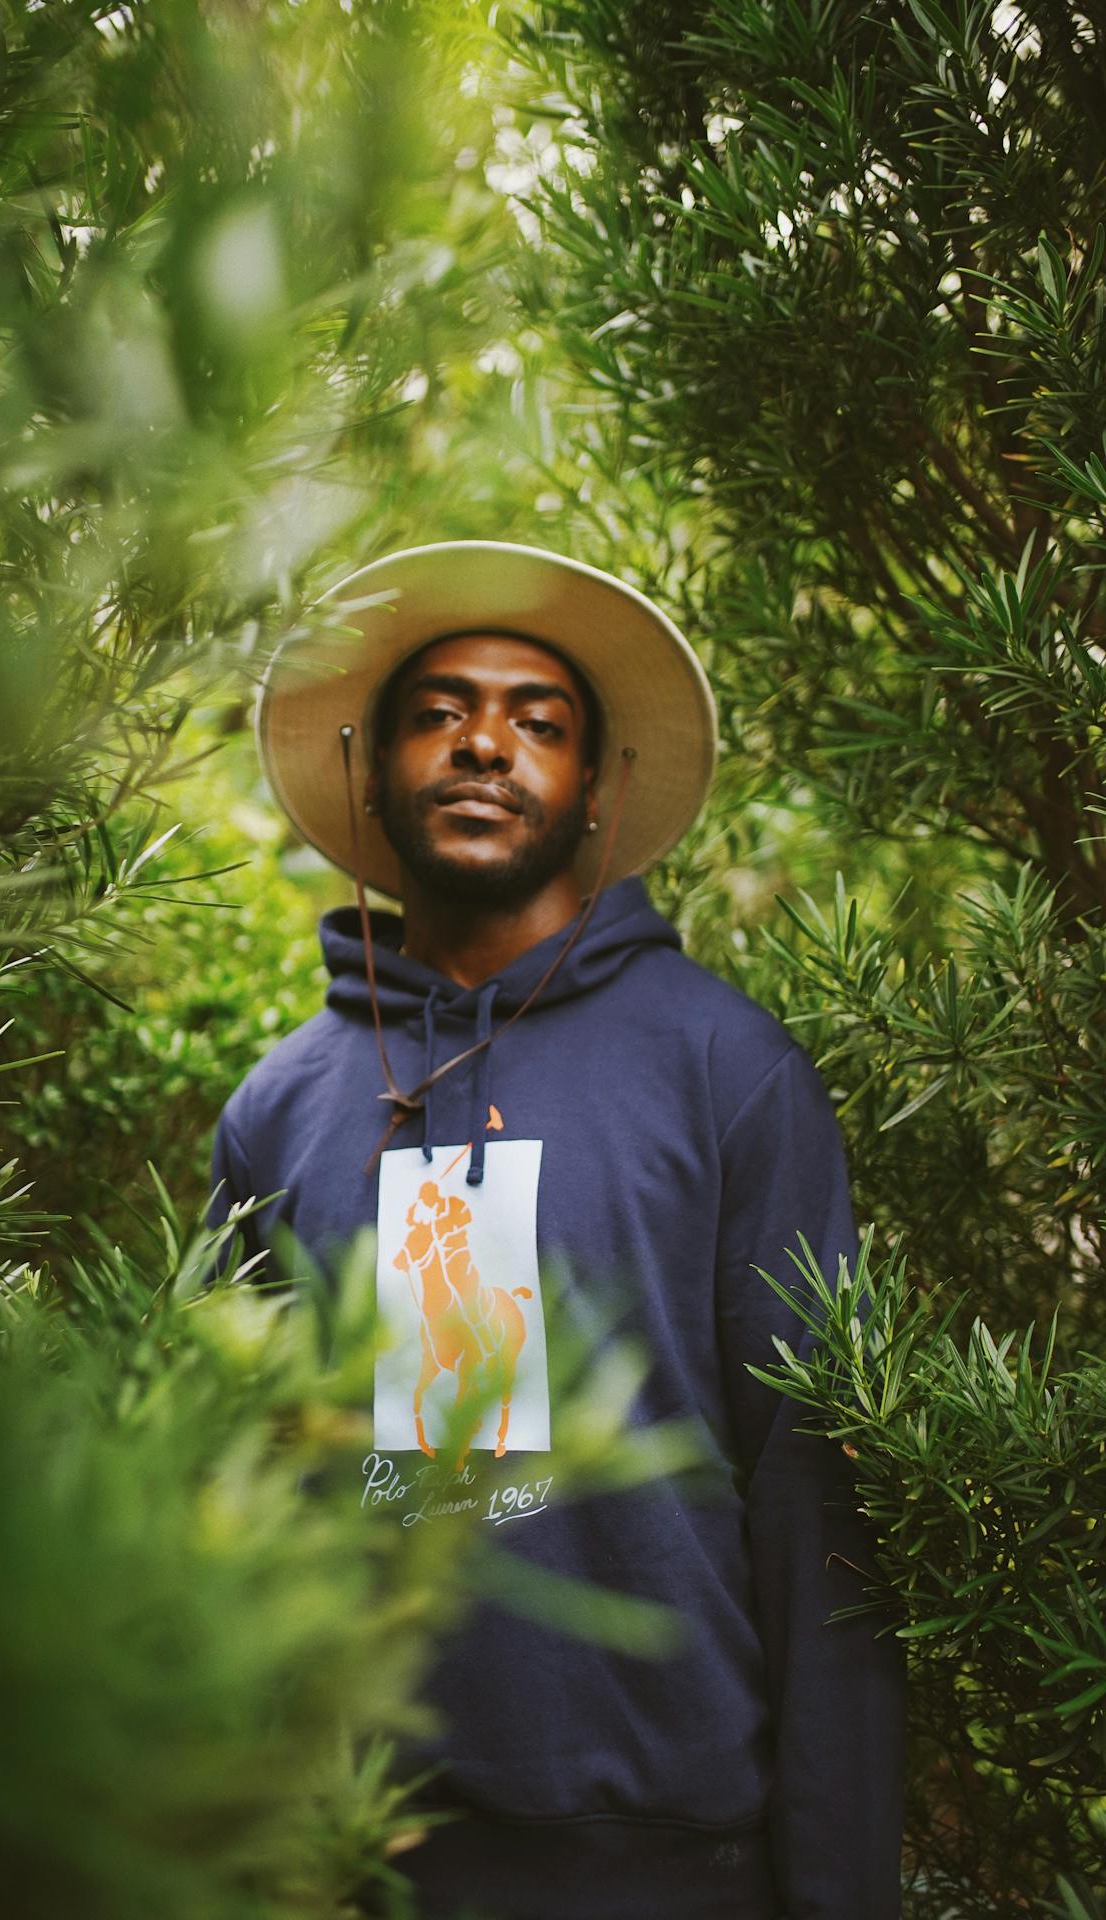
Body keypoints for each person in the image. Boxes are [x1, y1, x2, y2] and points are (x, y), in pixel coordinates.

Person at [210, 541, 905, 1920]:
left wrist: (838, 1889)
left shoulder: (726, 1071)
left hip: (671, 1866)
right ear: (369, 769)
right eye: (439, 712)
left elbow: (817, 1499)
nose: (485, 743)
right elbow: (235, 1504)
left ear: (595, 788)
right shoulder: (279, 1110)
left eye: (539, 721)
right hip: (354, 1863)